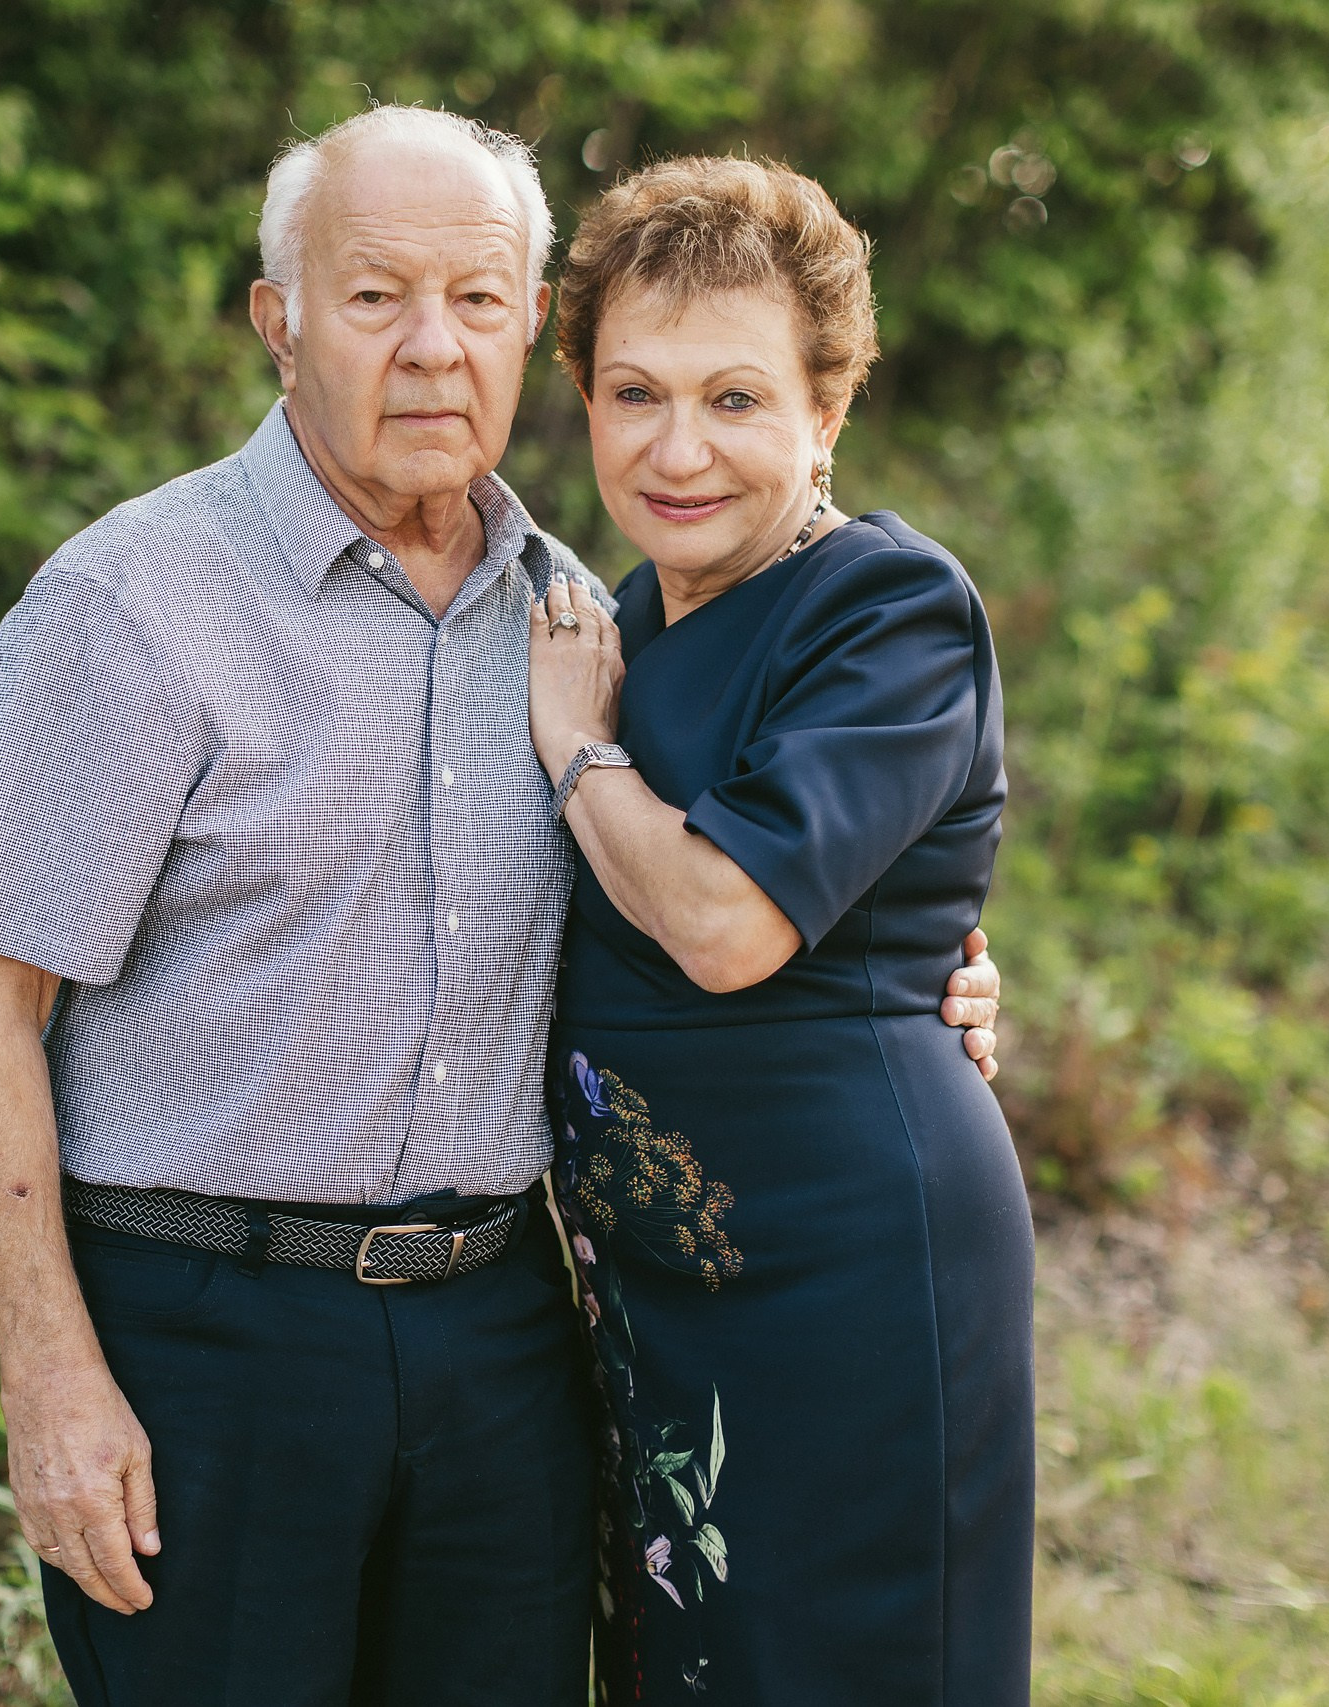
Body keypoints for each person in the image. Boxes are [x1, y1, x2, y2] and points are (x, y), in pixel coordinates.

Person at [0, 109, 1004, 1707]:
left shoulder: (577, 621)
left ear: (527, 329)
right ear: (280, 321)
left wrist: (929, 976)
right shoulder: (132, 604)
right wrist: (48, 1371)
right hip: (209, 1335)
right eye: (376, 298)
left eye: (479, 301)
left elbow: (738, 879)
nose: (432, 347)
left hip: (506, 1341)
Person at [527, 156, 1032, 1704]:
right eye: (636, 394)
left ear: (829, 411)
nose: (678, 449)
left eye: (735, 398)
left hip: (843, 1270)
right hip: (660, 1291)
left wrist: (579, 752)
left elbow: (728, 924)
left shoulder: (885, 608)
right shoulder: (617, 621)